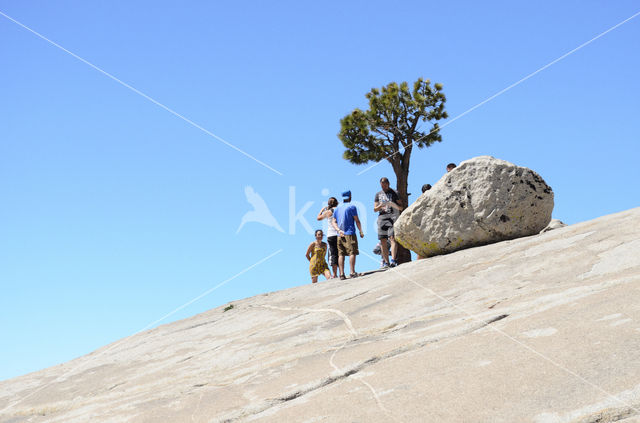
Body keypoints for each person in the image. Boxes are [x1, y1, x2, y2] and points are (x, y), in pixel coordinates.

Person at [331, 190, 364, 280]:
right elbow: (357, 220)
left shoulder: (337, 208)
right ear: (350, 196)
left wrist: (338, 230)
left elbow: (333, 221)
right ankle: (352, 272)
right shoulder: (352, 207)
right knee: (352, 252)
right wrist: (361, 231)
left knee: (341, 254)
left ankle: (341, 274)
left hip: (339, 234)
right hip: (349, 233)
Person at [374, 177, 402, 268]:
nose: (384, 187)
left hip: (392, 217)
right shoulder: (378, 194)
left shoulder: (394, 193)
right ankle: (386, 262)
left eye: (385, 185)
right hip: (382, 218)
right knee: (383, 240)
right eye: (382, 185)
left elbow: (401, 207)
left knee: (393, 238)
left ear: (388, 183)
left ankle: (393, 260)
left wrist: (392, 204)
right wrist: (380, 206)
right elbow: (375, 209)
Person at [317, 197, 339, 278]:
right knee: (340, 253)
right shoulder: (338, 209)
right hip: (339, 233)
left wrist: (322, 209)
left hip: (331, 234)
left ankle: (335, 274)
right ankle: (341, 272)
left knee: (333, 254)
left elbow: (318, 218)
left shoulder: (327, 212)